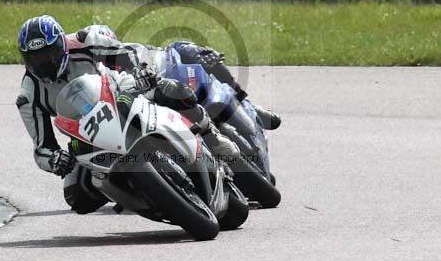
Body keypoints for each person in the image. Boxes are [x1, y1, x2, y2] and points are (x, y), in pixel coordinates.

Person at [16, 15, 239, 215]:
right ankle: (137, 193)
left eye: (48, 54)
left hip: (120, 94)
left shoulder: (83, 42)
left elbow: (125, 53)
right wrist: (54, 160)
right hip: (88, 134)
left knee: (172, 91)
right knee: (78, 197)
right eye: (36, 58)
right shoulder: (28, 95)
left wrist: (139, 71)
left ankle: (212, 136)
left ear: (62, 46)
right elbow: (41, 146)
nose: (44, 63)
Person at [72, 24, 281, 130]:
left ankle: (248, 104)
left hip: (175, 78)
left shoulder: (134, 50)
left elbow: (165, 55)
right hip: (154, 108)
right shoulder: (99, 76)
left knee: (183, 47)